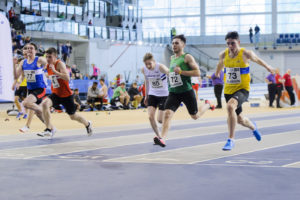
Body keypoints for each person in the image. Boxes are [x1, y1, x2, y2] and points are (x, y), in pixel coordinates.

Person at [215, 31, 274, 151]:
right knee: (240, 120)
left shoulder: (245, 53)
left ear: (238, 42)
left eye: (233, 43)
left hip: (243, 89)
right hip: (228, 90)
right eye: (228, 44)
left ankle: (230, 139)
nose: (230, 46)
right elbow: (220, 64)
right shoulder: (223, 54)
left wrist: (267, 67)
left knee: (230, 106)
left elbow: (257, 60)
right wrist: (217, 72)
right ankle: (253, 127)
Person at [155, 35, 215, 147]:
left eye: (177, 43)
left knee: (195, 116)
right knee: (167, 114)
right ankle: (162, 138)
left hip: (186, 92)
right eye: (173, 43)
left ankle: (207, 104)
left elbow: (197, 72)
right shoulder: (172, 58)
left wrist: (182, 72)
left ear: (183, 45)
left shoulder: (187, 57)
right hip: (173, 92)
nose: (174, 45)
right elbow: (173, 73)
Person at [39, 48, 92, 138]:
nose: (48, 59)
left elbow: (67, 78)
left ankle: (87, 124)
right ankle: (49, 129)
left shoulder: (60, 64)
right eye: (47, 57)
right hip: (56, 94)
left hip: (66, 95)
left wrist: (55, 72)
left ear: (55, 56)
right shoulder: (48, 65)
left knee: (73, 116)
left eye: (50, 57)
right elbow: (51, 76)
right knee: (44, 104)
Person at [13, 42, 48, 124]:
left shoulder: (39, 59)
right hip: (30, 89)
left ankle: (43, 110)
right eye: (27, 48)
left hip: (40, 88)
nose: (29, 50)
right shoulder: (23, 62)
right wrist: (14, 65)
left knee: (26, 103)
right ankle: (50, 128)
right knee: (37, 113)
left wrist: (45, 69)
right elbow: (16, 76)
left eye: (31, 48)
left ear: (35, 51)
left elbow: (47, 62)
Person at [142, 53, 169, 141]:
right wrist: (146, 96)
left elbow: (170, 73)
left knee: (160, 120)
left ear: (154, 62)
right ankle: (159, 136)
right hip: (152, 94)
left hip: (163, 95)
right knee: (150, 116)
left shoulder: (160, 67)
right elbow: (147, 82)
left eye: (150, 63)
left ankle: (168, 119)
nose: (148, 66)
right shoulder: (144, 70)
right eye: (146, 64)